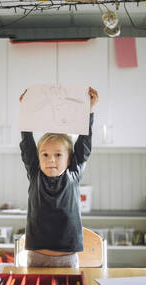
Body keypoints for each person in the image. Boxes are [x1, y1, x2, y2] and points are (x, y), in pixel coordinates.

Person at [19, 86, 98, 268]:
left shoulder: (74, 172)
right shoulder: (35, 172)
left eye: (58, 155)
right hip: (36, 256)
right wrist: (26, 110)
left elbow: (84, 143)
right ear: (38, 158)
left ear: (70, 158)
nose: (51, 160)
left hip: (68, 257)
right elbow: (27, 143)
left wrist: (89, 110)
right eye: (45, 155)